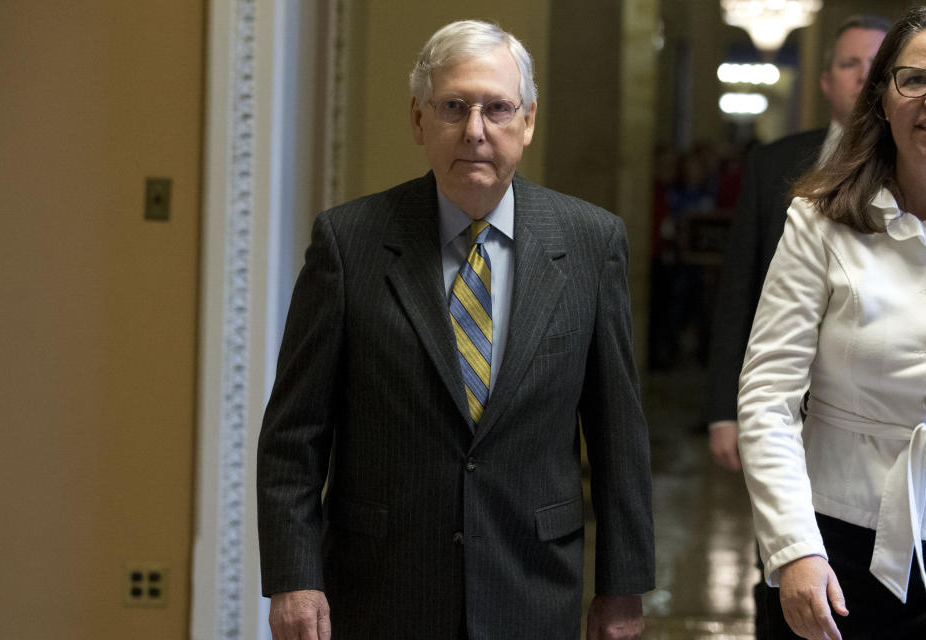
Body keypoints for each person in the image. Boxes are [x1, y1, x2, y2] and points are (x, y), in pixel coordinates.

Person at [256, 20, 654, 640]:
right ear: (419, 121)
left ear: (527, 121)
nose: (475, 130)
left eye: (497, 108)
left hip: (533, 585)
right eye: (453, 107)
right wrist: (292, 577)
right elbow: (293, 434)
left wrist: (622, 588)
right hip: (381, 589)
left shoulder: (590, 242)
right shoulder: (349, 241)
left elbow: (617, 433)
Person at [737, 6, 926, 638]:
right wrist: (794, 547)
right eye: (914, 80)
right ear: (881, 96)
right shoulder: (819, 221)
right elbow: (768, 397)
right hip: (836, 539)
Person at [707, 13, 889, 472]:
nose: (865, 74)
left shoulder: (913, 170)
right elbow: (738, 291)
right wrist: (723, 410)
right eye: (851, 63)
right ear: (826, 81)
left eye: (878, 63)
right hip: (783, 400)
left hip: (879, 410)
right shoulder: (773, 163)